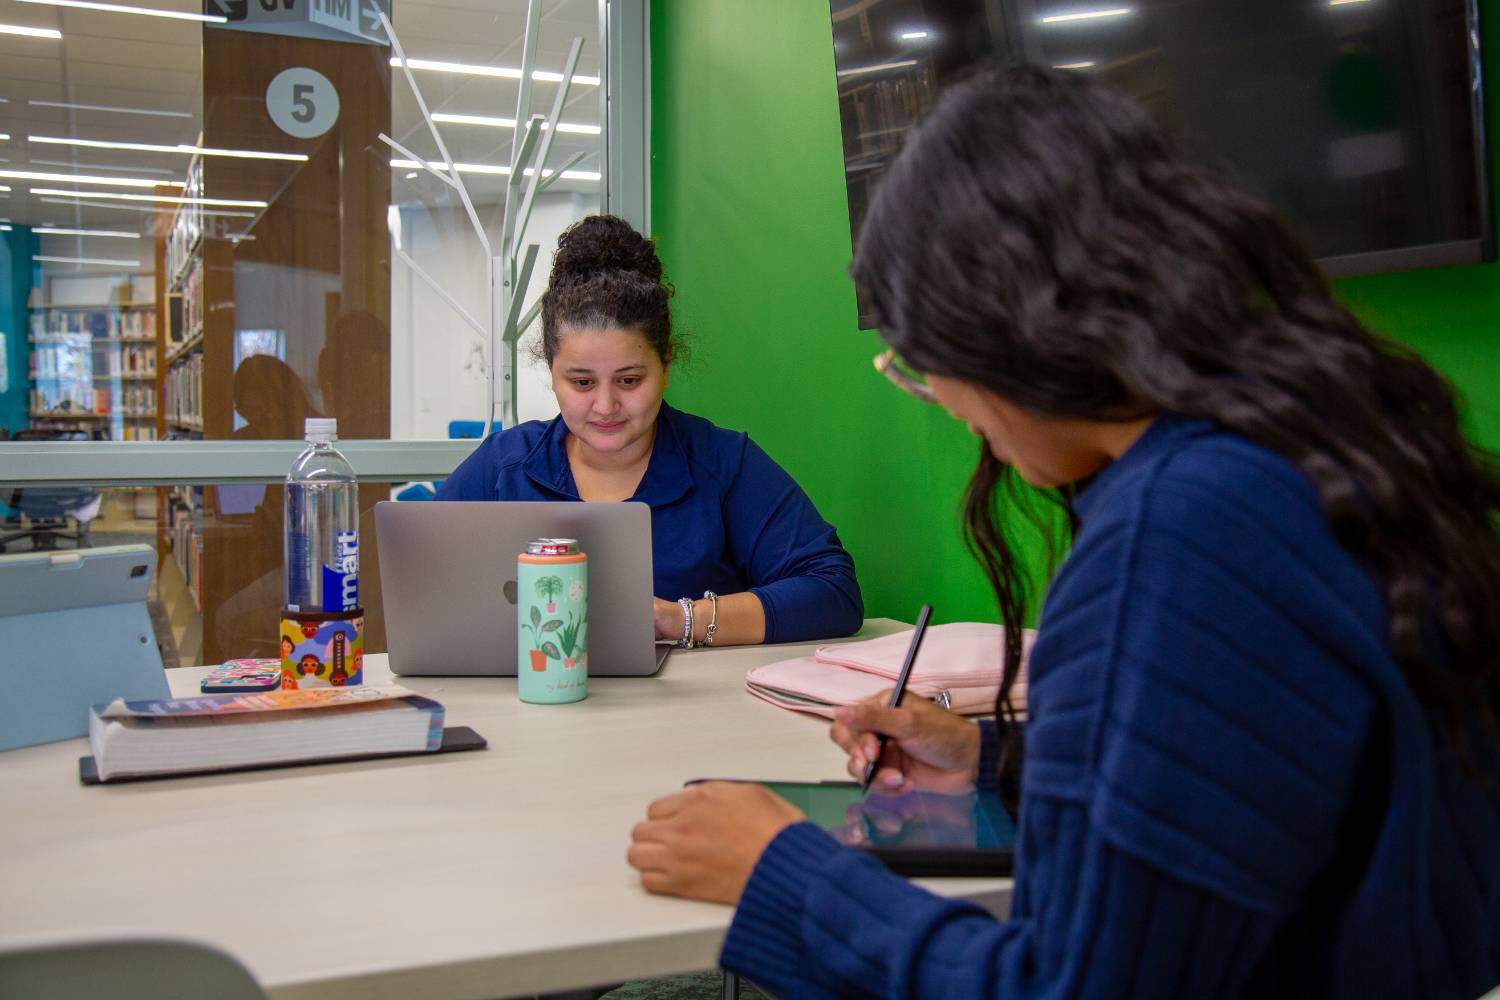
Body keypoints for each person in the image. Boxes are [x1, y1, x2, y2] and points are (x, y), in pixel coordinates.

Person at [626, 64, 1500, 998]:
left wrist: (783, 875)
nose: (954, 412)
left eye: (922, 363)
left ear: (1007, 329)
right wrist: (995, 765)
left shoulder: (1176, 539)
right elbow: (1257, 796)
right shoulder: (1300, 452)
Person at [436, 215, 863, 647]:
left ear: (667, 366)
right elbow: (423, 583)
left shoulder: (722, 463)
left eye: (629, 381)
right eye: (581, 383)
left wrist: (679, 619)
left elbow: (833, 592)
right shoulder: (502, 467)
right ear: (551, 371)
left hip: (693, 709)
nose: (605, 406)